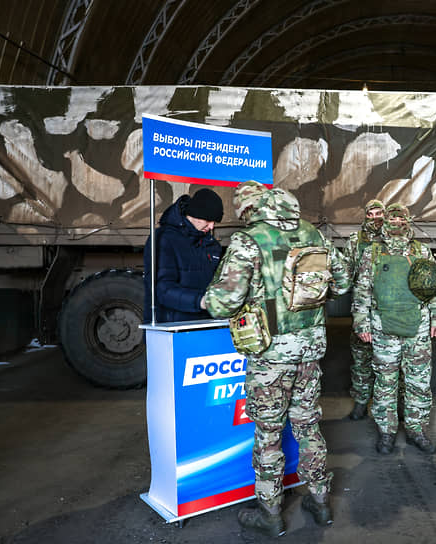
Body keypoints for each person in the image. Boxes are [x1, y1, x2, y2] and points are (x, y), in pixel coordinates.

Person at [202, 182, 350, 537]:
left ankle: (270, 512)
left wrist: (208, 299)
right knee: (308, 426)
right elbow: (343, 282)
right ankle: (320, 502)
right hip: (310, 349)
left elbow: (222, 304)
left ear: (257, 208)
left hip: (271, 356)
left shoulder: (249, 240)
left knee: (269, 433)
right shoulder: (312, 233)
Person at [352, 203, 436, 455]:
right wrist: (362, 322)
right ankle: (387, 432)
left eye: (400, 220)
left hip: (418, 328)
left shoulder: (421, 251)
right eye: (391, 221)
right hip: (383, 328)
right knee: (385, 382)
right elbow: (362, 291)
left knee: (418, 381)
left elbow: (435, 288)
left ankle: (416, 429)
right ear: (386, 224)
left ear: (408, 221)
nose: (395, 225)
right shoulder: (372, 253)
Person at [143, 188, 223, 323]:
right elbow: (163, 291)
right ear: (195, 214)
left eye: (215, 222)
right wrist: (202, 301)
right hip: (172, 329)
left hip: (206, 327)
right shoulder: (164, 238)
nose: (212, 227)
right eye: (208, 220)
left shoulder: (212, 245)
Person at [344, 199, 385, 420]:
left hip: (387, 310)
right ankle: (360, 402)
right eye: (372, 214)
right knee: (361, 359)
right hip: (363, 307)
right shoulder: (354, 241)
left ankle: (387, 406)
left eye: (380, 213)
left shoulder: (394, 240)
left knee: (389, 362)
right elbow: (346, 272)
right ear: (365, 216)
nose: (376, 218)